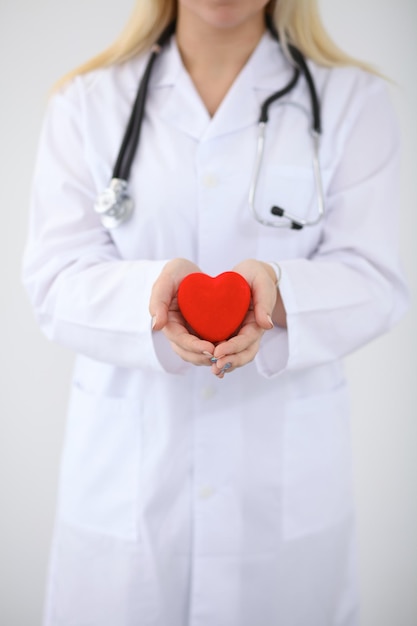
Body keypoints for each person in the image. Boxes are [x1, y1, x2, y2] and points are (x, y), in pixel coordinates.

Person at [22, 1, 409, 625]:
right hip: (128, 489)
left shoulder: (351, 101)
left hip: (283, 501)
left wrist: (278, 295)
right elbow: (55, 280)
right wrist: (153, 295)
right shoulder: (87, 103)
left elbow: (376, 278)